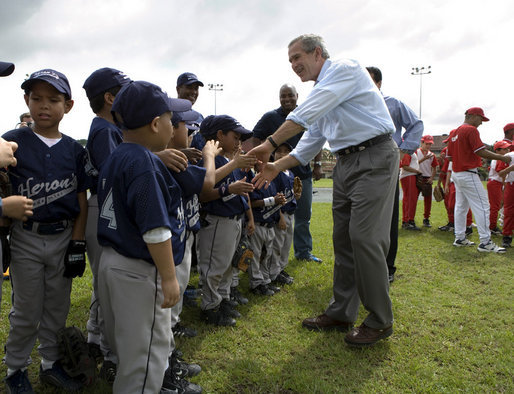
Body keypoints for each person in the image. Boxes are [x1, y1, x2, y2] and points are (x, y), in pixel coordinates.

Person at [250, 34, 398, 347]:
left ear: (317, 53)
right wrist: (277, 166)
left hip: (374, 156)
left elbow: (304, 116)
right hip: (346, 162)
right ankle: (342, 312)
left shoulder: (344, 69)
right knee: (343, 238)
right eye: (289, 61)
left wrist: (270, 144)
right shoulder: (322, 93)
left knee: (365, 237)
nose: (293, 65)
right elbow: (311, 140)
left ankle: (380, 320)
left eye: (297, 57)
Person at [96, 81, 193, 393]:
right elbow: (154, 229)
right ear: (155, 124)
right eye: (169, 119)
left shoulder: (119, 154)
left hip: (113, 261)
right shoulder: (143, 162)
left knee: (128, 347)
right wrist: (168, 277)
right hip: (138, 268)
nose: (172, 125)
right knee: (145, 359)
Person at [3, 69, 89, 392]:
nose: (44, 105)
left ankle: (51, 363)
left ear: (68, 105)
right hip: (26, 236)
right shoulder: (12, 141)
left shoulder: (74, 150)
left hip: (64, 235)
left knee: (57, 306)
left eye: (53, 99)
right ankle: (16, 370)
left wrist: (78, 242)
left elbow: (81, 197)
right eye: (36, 98)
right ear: (26, 100)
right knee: (26, 308)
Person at [82, 66, 132, 382]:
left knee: (104, 285)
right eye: (124, 91)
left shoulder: (110, 129)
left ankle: (94, 341)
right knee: (108, 286)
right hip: (104, 207)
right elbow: (117, 176)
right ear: (111, 98)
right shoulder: (104, 130)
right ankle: (106, 350)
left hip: (103, 206)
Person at [251, 84, 323, 263]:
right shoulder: (271, 117)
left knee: (303, 216)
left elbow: (318, 139)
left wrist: (318, 165)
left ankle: (303, 252)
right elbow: (254, 137)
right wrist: (258, 161)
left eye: (290, 95)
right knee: (277, 216)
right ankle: (272, 257)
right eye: (283, 96)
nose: (287, 99)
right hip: (277, 177)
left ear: (297, 96)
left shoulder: (306, 114)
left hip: (302, 174)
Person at [197, 115, 255, 326]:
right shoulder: (211, 161)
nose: (239, 141)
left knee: (228, 266)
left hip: (233, 219)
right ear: (219, 135)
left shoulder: (229, 161)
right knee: (214, 268)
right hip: (217, 220)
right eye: (235, 136)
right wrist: (229, 189)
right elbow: (203, 195)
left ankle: (221, 301)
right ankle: (210, 307)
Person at [367, 66, 423, 283]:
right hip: (360, 165)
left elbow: (416, 124)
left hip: (386, 165)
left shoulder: (393, 103)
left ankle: (387, 267)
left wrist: (402, 149)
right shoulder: (354, 104)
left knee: (388, 218)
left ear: (379, 83)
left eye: (369, 80)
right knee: (363, 219)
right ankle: (365, 265)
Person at [446, 107, 510, 252]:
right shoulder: (471, 130)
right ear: (473, 116)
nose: (481, 122)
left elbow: (449, 157)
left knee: (461, 207)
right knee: (483, 207)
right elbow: (480, 151)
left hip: (457, 173)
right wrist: (501, 157)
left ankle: (460, 237)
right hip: (468, 173)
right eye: (481, 118)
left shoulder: (455, 131)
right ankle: (485, 242)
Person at [270, 142, 301, 285]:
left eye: (286, 151)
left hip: (290, 213)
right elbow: (274, 197)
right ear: (273, 154)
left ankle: (281, 269)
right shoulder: (274, 173)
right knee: (277, 245)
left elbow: (289, 196)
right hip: (279, 215)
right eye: (279, 151)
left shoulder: (290, 173)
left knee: (286, 245)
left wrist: (296, 196)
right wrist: (280, 217)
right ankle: (273, 273)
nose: (282, 154)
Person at [177, 72, 206, 152]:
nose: (193, 92)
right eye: (189, 87)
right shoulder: (168, 114)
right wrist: (183, 152)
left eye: (196, 88)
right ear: (178, 89)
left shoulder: (199, 117)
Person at [487, 140, 510, 235]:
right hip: (495, 183)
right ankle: (492, 227)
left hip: (495, 183)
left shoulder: (497, 158)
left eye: (507, 148)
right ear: (497, 150)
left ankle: (491, 225)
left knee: (496, 206)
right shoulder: (501, 158)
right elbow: (501, 173)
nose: (507, 150)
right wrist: (505, 185)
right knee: (495, 207)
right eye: (504, 149)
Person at [415, 135, 438, 227]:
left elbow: (434, 168)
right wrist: (424, 159)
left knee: (428, 200)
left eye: (430, 144)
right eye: (426, 143)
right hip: (417, 177)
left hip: (427, 178)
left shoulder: (432, 155)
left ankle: (426, 219)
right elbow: (414, 164)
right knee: (414, 199)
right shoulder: (416, 152)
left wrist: (432, 178)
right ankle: (410, 219)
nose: (428, 146)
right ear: (422, 143)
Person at [399, 150, 422, 230]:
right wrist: (417, 171)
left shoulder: (411, 152)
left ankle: (406, 221)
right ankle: (409, 221)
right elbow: (405, 166)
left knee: (408, 199)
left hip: (409, 176)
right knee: (410, 199)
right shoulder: (408, 152)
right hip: (409, 176)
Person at [498, 145, 514, 248]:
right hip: (511, 184)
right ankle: (507, 236)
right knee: (508, 211)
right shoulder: (509, 155)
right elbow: (500, 171)